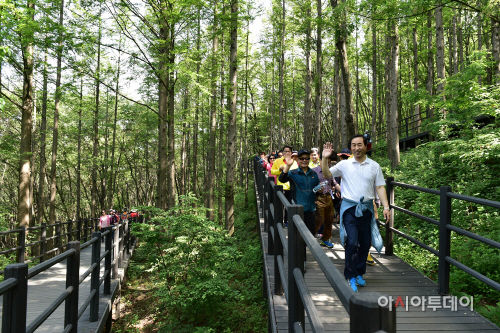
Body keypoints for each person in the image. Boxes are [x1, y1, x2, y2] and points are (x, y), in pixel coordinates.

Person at [321, 135, 390, 292]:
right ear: (350, 147)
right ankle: (350, 275)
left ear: (366, 146)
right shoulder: (344, 164)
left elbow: (380, 187)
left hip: (367, 208)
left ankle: (359, 272)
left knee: (365, 243)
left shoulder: (374, 166)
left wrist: (386, 206)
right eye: (353, 145)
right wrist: (324, 159)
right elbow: (326, 175)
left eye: (360, 145)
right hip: (349, 208)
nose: (357, 148)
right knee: (352, 242)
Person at [279, 149, 319, 237]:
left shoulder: (314, 174)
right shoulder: (293, 173)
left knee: (311, 235)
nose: (304, 160)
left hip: (311, 210)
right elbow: (281, 179)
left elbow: (317, 188)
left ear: (309, 159)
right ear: (298, 160)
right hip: (298, 210)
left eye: (306, 158)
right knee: (298, 237)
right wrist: (287, 166)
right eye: (301, 158)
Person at [312, 153, 341, 248]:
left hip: (329, 197)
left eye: (328, 162)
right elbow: (310, 186)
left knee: (330, 219)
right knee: (319, 219)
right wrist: (316, 189)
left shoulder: (330, 172)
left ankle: (326, 239)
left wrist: (344, 192)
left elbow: (334, 183)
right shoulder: (313, 171)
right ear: (320, 161)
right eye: (325, 162)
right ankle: (309, 237)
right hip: (318, 197)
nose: (327, 164)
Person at [271, 145, 297, 226]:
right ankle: (278, 221)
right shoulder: (277, 161)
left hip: (290, 187)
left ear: (291, 153)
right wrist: (279, 170)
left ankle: (287, 221)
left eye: (288, 151)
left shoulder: (294, 162)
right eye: (285, 151)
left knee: (289, 205)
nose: (286, 153)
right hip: (281, 186)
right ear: (282, 152)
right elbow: (272, 172)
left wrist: (286, 169)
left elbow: (294, 173)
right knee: (279, 205)